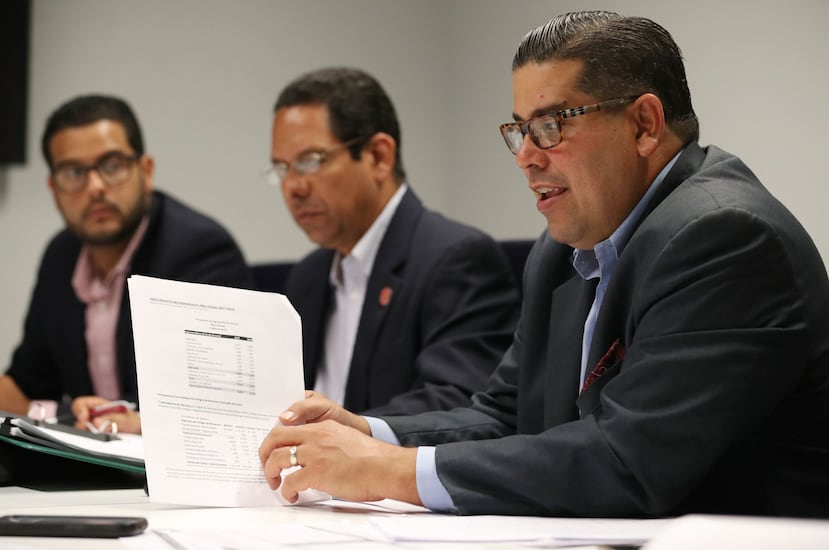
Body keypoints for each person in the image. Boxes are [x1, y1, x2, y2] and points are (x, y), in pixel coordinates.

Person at [259, 12, 829, 519]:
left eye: (553, 125)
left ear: (644, 124)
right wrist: (367, 431)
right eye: (520, 130)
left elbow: (630, 462)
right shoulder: (563, 251)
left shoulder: (724, 237)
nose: (528, 156)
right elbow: (507, 414)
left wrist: (388, 470)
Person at [270, 67, 521, 415]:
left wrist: (341, 438)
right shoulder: (308, 277)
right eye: (282, 169)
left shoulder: (457, 259)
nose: (294, 188)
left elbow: (458, 402)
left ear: (378, 157)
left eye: (310, 162)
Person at [0, 94, 253, 434]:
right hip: (92, 470)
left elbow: (220, 404)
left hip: (170, 473)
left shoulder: (199, 251)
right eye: (74, 172)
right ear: (53, 188)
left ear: (145, 171)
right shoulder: (61, 257)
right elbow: (29, 385)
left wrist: (134, 421)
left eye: (112, 166)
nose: (95, 187)